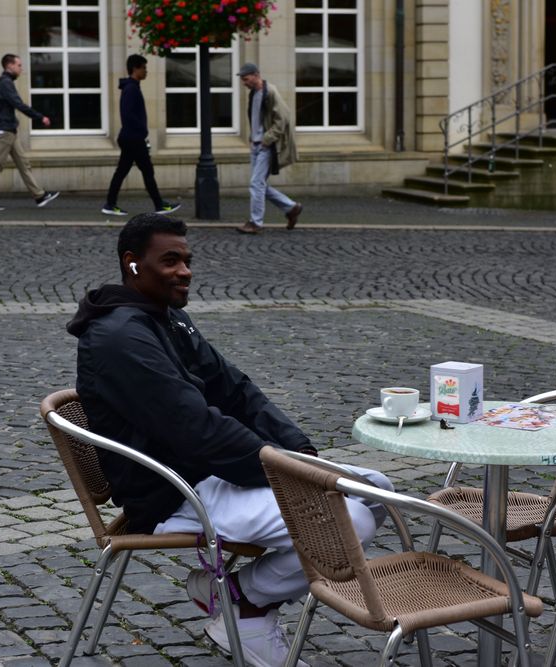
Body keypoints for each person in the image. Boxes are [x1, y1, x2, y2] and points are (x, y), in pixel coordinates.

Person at [67, 213, 392, 667]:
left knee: (378, 491)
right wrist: (284, 472)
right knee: (347, 520)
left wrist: (300, 452)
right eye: (171, 261)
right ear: (133, 264)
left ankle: (231, 593)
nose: (185, 271)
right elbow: (195, 428)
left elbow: (234, 388)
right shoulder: (120, 338)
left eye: (187, 260)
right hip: (173, 493)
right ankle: (245, 606)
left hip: (209, 473)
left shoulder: (167, 318)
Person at [0, 54, 59, 211]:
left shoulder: (3, 82)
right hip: (5, 130)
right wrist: (40, 117)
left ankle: (39, 196)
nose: (21, 68)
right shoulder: (5, 83)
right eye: (19, 65)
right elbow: (19, 104)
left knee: (23, 164)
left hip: (9, 129)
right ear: (9, 66)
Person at [101, 55, 180, 217]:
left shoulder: (131, 87)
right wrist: (142, 131)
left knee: (123, 171)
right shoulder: (131, 89)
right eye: (144, 67)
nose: (146, 71)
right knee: (146, 171)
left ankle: (110, 204)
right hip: (133, 138)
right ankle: (159, 205)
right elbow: (128, 115)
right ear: (135, 69)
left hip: (130, 137)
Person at [236, 63, 303, 234]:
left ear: (256, 75)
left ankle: (255, 222)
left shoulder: (270, 92)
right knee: (259, 185)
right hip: (257, 145)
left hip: (266, 146)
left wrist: (267, 139)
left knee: (256, 184)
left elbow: (283, 118)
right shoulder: (254, 93)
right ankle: (291, 207)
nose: (244, 82)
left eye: (246, 78)